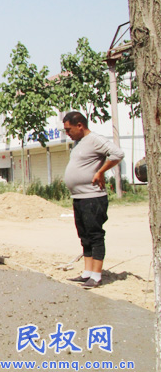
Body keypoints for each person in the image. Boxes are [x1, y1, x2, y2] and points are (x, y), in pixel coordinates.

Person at [63, 111, 124, 289]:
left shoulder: (95, 139)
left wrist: (101, 171)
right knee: (84, 236)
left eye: (69, 129)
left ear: (80, 125)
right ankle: (87, 273)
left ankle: (96, 276)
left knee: (95, 235)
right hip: (79, 197)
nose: (67, 133)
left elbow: (117, 154)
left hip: (93, 197)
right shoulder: (78, 143)